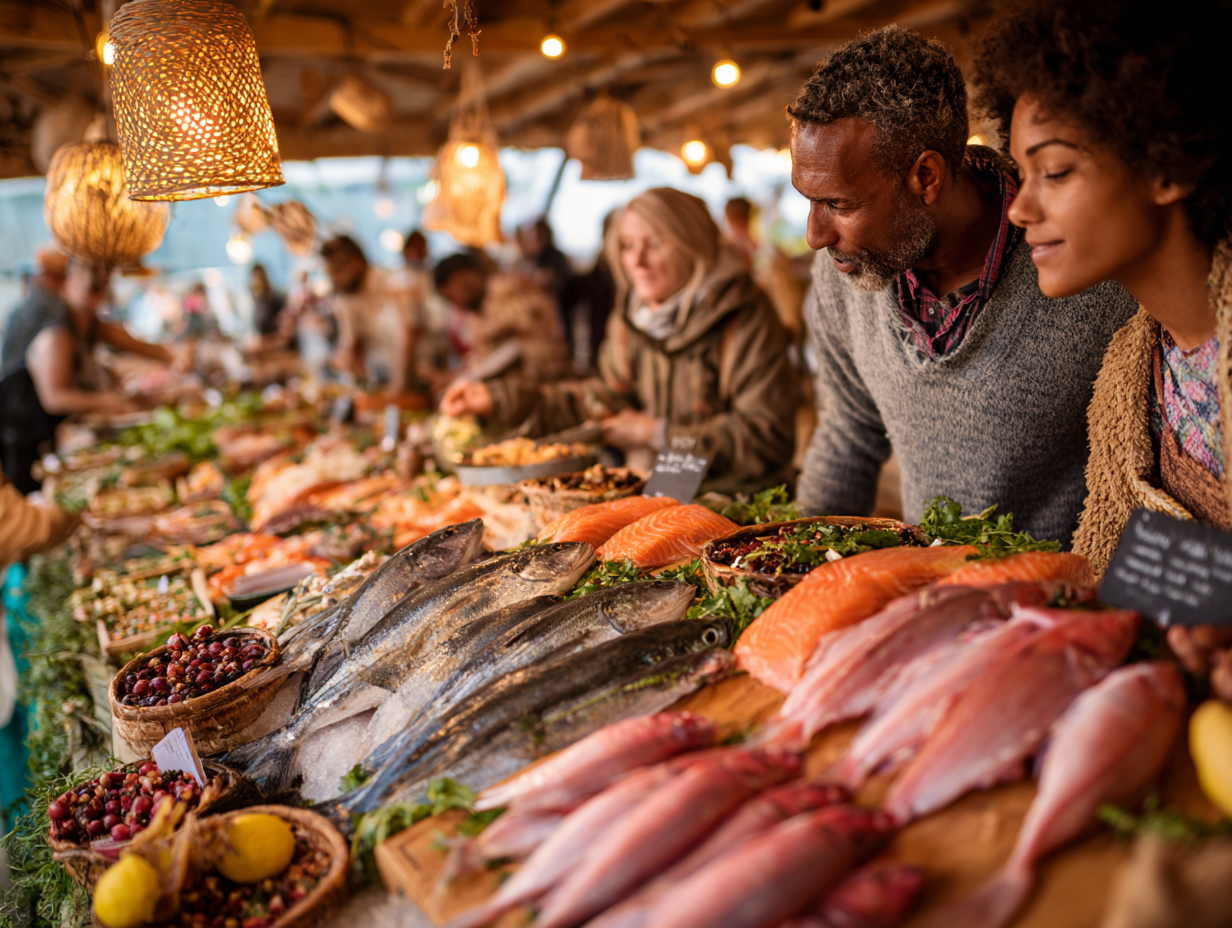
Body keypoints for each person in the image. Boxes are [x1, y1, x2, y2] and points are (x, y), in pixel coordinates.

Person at [973, 0, 1232, 698]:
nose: (1020, 208)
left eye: (1055, 172)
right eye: (1021, 175)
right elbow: (1111, 575)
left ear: (1167, 165)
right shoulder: (1129, 371)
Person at [791, 26, 1139, 545]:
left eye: (838, 204)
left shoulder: (1093, 274)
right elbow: (849, 432)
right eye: (808, 199)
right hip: (928, 580)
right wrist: (794, 561)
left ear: (926, 177)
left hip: (1069, 585)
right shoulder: (844, 270)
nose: (815, 236)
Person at [440, 186, 797, 494]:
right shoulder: (634, 317)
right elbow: (600, 400)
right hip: (668, 490)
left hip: (745, 499)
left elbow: (766, 437)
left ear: (694, 244)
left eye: (654, 244)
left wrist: (656, 434)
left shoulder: (745, 315)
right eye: (627, 245)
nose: (636, 261)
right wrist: (496, 398)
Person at [0, 255, 172, 493]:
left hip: (45, 434)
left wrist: (173, 356)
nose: (97, 292)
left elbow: (135, 344)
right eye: (92, 282)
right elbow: (55, 397)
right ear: (68, 277)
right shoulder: (58, 328)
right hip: (27, 436)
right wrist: (110, 402)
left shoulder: (87, 321)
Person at [322, 235, 418, 392]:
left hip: (417, 379)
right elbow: (352, 345)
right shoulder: (346, 297)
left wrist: (400, 389)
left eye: (338, 269)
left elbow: (409, 336)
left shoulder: (393, 283)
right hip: (382, 381)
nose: (335, 278)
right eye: (330, 272)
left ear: (357, 261)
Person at [249, 264, 287, 338]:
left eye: (258, 277)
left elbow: (284, 326)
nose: (255, 281)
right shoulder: (257, 300)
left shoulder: (276, 298)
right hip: (264, 339)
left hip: (275, 339)